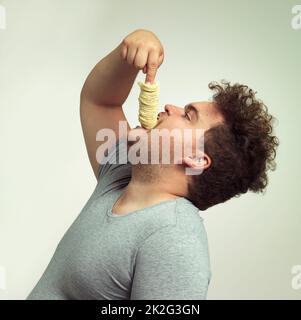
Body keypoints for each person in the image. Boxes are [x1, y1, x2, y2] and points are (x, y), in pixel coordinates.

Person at [26, 29, 279, 300]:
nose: (170, 107)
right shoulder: (121, 177)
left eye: (187, 116)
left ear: (195, 158)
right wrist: (129, 54)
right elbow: (99, 101)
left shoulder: (174, 239)